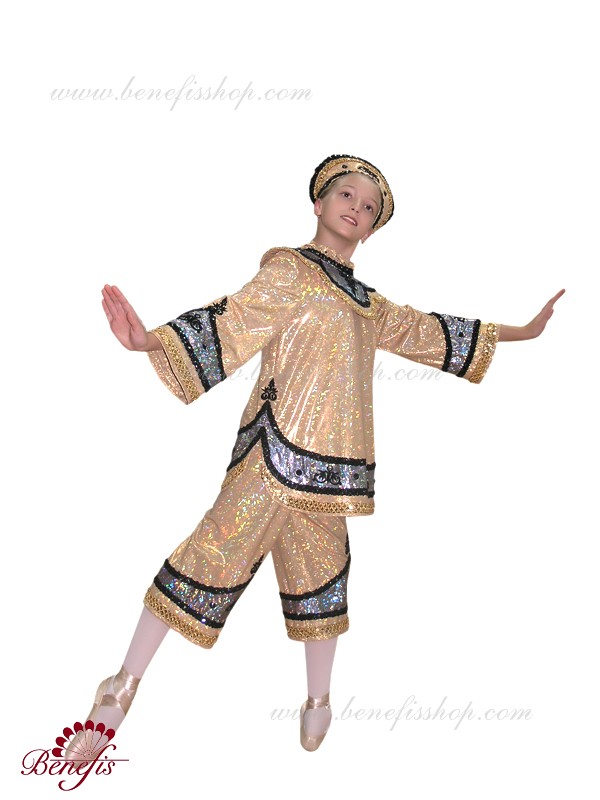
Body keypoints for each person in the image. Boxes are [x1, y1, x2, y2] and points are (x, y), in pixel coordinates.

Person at [65, 154, 565, 759]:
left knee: (323, 579)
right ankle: (121, 687)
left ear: (372, 229)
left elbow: (429, 331)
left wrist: (521, 331)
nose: (357, 208)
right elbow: (234, 318)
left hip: (332, 472)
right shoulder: (290, 270)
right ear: (319, 203)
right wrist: (149, 341)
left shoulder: (369, 305)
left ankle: (318, 700)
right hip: (272, 454)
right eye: (346, 195)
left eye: (369, 207)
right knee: (210, 554)